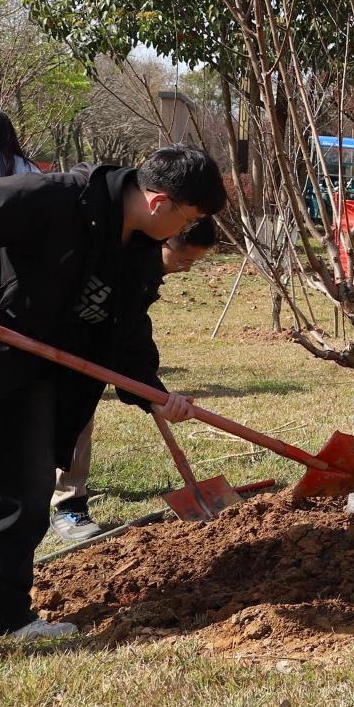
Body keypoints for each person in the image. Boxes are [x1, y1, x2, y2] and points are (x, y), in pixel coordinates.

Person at [0, 146, 224, 684]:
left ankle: (3, 613)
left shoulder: (137, 251)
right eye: (191, 218)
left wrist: (153, 392)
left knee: (26, 493)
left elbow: (124, 331)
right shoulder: (59, 197)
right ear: (159, 202)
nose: (188, 229)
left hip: (28, 370)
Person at [49, 216, 220, 543]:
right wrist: (153, 394)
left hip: (90, 347)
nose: (185, 268)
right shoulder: (120, 256)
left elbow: (133, 335)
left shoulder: (147, 271)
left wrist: (154, 394)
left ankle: (67, 500)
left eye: (193, 263)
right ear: (164, 239)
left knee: (78, 414)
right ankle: (58, 503)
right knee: (63, 415)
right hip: (56, 340)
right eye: (183, 259)